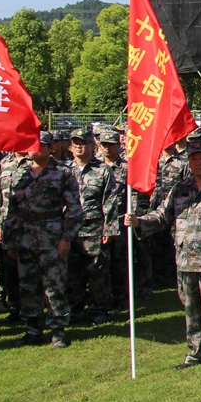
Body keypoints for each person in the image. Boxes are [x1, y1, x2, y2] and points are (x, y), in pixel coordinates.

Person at [125, 140, 201, 372]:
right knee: (191, 310)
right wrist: (139, 221)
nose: (198, 162)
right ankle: (195, 352)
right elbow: (162, 216)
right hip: (185, 261)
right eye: (193, 158)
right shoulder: (179, 189)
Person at [2, 132, 82, 348]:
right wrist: (10, 241)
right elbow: (11, 210)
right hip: (25, 238)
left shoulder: (62, 173)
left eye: (40, 145)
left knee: (54, 285)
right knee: (28, 285)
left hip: (52, 238)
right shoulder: (19, 173)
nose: (34, 149)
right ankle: (33, 329)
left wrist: (66, 238)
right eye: (31, 144)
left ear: (50, 148)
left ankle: (58, 329)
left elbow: (74, 209)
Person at [65, 128, 121, 325]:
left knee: (98, 273)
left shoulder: (102, 170)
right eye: (76, 143)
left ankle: (99, 310)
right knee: (72, 273)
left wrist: (109, 228)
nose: (79, 146)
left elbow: (110, 200)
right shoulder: (64, 170)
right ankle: (75, 310)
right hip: (70, 230)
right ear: (70, 146)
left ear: (92, 145)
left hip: (95, 228)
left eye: (84, 142)